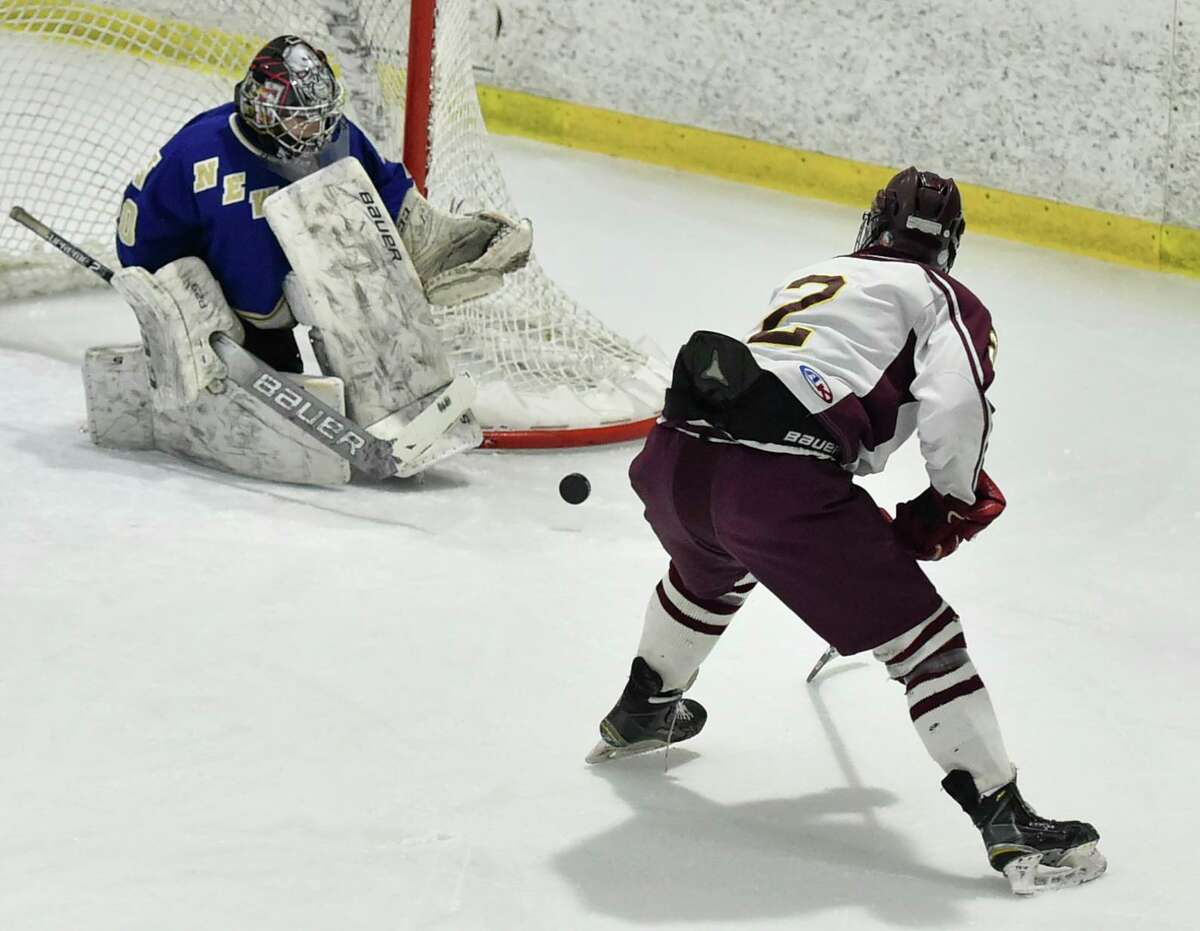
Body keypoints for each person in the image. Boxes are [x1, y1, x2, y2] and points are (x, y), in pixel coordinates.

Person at [587, 167, 1105, 895]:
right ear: (949, 244)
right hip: (774, 484)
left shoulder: (816, 271)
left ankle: (644, 705)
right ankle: (1007, 819)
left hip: (674, 455)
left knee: (711, 563)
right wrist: (952, 499)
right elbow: (955, 405)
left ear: (873, 225)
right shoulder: (944, 295)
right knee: (924, 640)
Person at [115, 34, 530, 373]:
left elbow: (382, 188)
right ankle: (253, 355)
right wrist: (169, 303)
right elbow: (147, 236)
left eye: (320, 114)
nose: (316, 129)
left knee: (365, 292)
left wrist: (430, 238)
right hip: (205, 294)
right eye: (301, 118)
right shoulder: (203, 155)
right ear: (262, 112)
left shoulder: (333, 135)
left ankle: (382, 382)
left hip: (283, 274)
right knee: (274, 358)